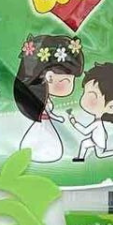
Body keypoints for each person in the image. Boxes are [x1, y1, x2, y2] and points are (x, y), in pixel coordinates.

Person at [13, 34, 85, 163]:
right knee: (42, 138)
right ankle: (34, 153)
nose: (72, 86)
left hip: (44, 124)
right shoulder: (40, 101)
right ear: (50, 77)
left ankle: (36, 153)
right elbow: (48, 113)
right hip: (43, 124)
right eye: (68, 81)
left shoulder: (42, 100)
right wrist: (58, 118)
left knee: (45, 139)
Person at [71, 62, 113, 162]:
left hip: (98, 141)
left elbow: (85, 131)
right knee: (85, 144)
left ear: (111, 107)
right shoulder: (97, 122)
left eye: (91, 96)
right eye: (84, 93)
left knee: (100, 154)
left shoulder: (97, 124)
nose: (83, 99)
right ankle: (80, 158)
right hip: (95, 139)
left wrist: (74, 123)